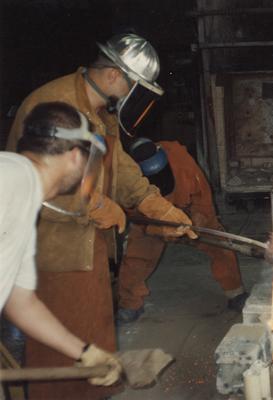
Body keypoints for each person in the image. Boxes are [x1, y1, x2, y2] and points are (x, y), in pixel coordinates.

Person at [6, 33, 197, 399]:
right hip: (55, 254)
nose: (130, 96)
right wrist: (96, 206)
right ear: (113, 75)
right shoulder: (55, 105)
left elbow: (120, 167)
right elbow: (45, 185)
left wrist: (158, 207)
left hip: (91, 248)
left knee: (93, 343)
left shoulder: (100, 113)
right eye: (133, 87)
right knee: (56, 355)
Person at [0, 102, 123, 397]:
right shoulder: (10, 180)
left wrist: (84, 352)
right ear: (74, 156)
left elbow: (20, 301)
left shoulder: (25, 191)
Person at [116, 138, 247, 323]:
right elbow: (136, 218)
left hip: (187, 209)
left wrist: (199, 219)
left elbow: (202, 195)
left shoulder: (179, 158)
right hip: (150, 216)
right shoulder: (127, 180)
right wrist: (160, 229)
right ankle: (130, 304)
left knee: (220, 245)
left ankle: (235, 293)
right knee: (137, 258)